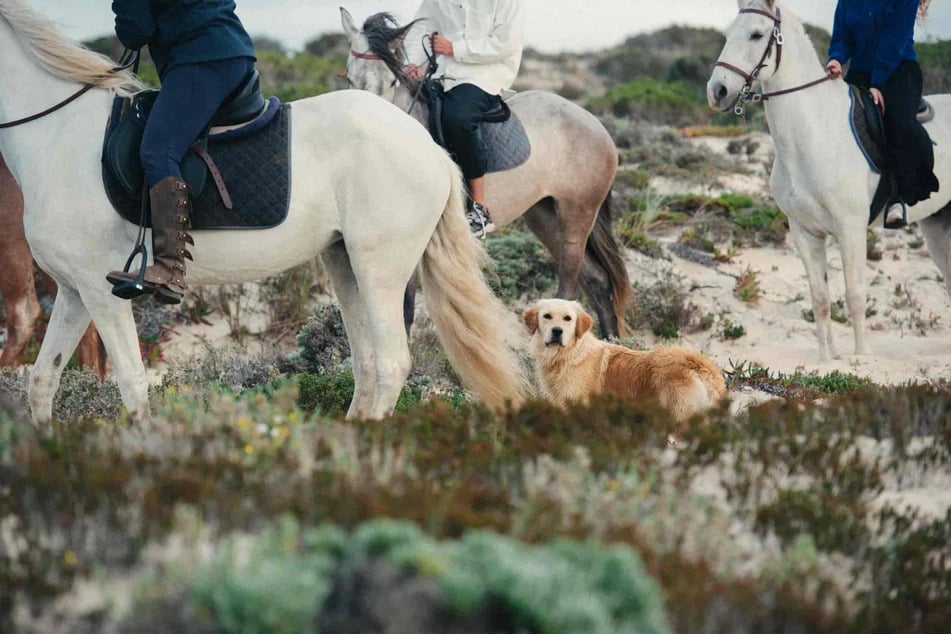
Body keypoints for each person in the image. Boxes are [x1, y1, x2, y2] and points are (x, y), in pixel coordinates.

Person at [106, 0, 257, 304]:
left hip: (200, 57)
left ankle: (169, 270)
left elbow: (137, 31)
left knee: (158, 151)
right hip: (228, 49)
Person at [403, 0, 526, 235]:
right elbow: (422, 26)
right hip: (443, 72)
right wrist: (413, 62)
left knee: (457, 118)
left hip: (483, 74)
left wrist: (455, 49)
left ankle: (480, 208)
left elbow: (505, 43)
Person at [825, 0, 939, 229]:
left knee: (898, 124)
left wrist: (878, 83)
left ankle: (898, 198)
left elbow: (893, 42)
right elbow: (842, 37)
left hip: (898, 71)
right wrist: (836, 58)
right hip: (859, 73)